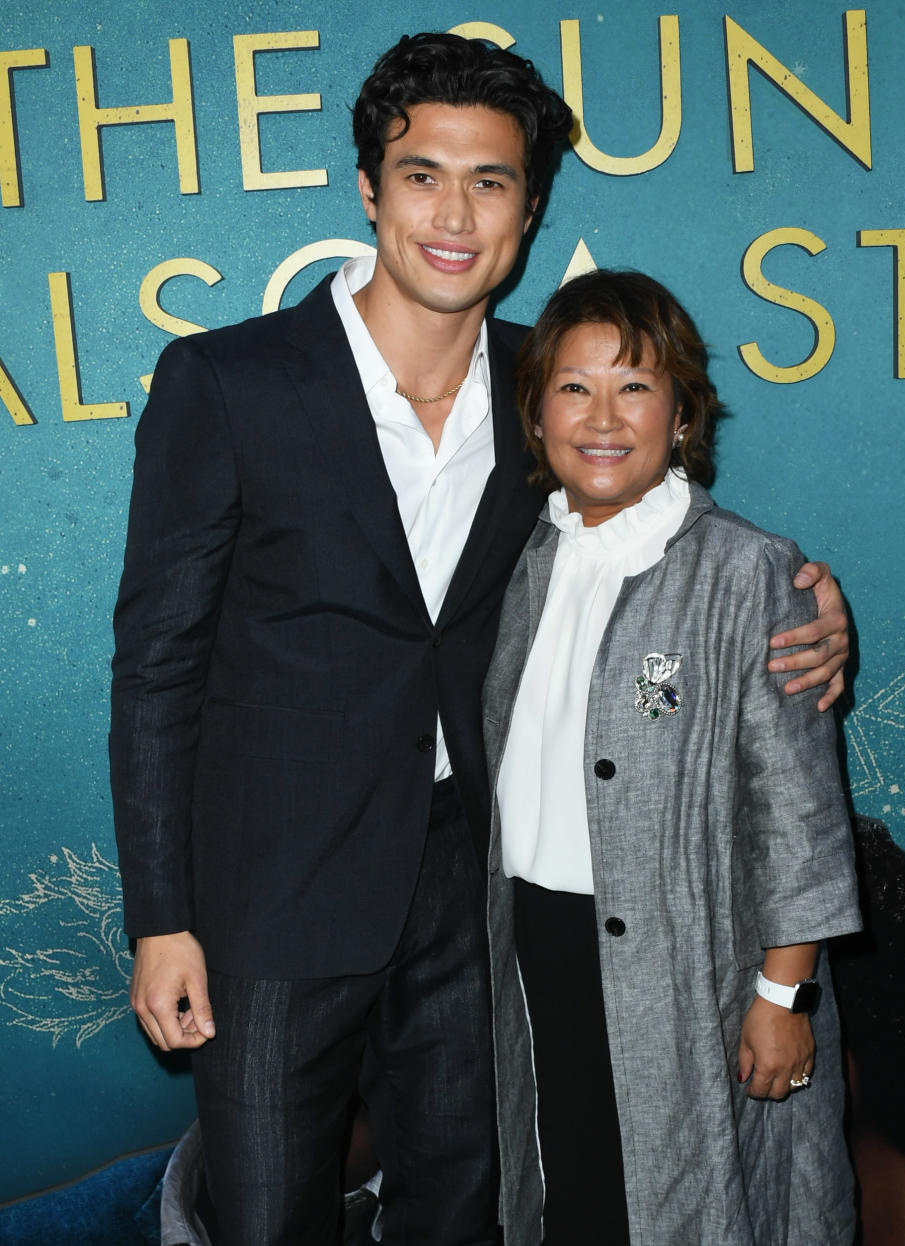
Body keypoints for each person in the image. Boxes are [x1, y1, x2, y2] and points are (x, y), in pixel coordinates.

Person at [109, 32, 850, 1246]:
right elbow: (156, 670)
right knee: (265, 1219)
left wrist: (811, 600)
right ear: (370, 189)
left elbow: (674, 545)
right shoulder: (229, 382)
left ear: (530, 205)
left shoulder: (549, 392)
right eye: (422, 174)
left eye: (491, 180)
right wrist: (161, 917)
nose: (454, 213)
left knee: (469, 1210)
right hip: (272, 907)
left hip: (472, 894)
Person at [483, 270, 863, 1246]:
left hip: (691, 963)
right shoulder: (524, 557)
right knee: (570, 1190)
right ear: (537, 412)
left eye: (635, 385)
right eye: (573, 387)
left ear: (682, 411)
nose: (603, 417)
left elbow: (802, 812)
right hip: (535, 952)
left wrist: (785, 993)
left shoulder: (749, 572)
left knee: (682, 1206)